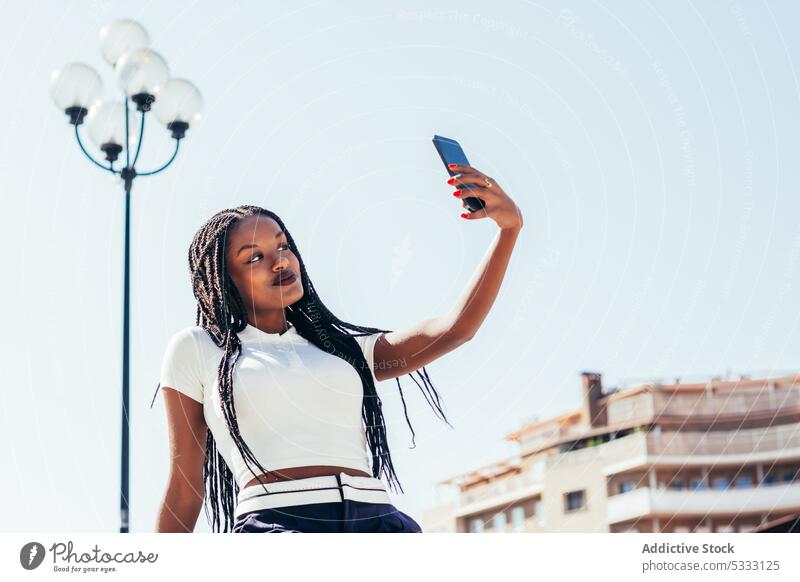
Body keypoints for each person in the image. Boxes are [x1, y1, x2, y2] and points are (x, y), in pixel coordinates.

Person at [152, 163, 524, 533]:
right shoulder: (199, 350)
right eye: (254, 257)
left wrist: (508, 230)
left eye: (283, 246)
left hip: (377, 522)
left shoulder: (342, 349)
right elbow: (185, 490)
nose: (280, 261)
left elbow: (455, 330)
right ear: (221, 280)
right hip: (278, 527)